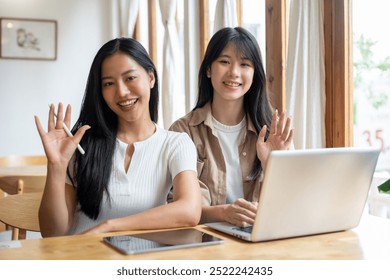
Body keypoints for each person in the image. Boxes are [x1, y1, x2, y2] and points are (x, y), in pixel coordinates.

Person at [35, 37, 201, 237]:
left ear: (151, 78)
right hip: (83, 259)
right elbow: (53, 233)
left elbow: (189, 211)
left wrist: (111, 227)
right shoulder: (80, 145)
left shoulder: (175, 144)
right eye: (109, 83)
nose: (121, 92)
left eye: (130, 78)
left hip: (140, 264)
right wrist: (56, 166)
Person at [170, 27, 294, 227]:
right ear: (209, 69)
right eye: (225, 62)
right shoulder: (183, 132)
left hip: (262, 241)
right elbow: (178, 207)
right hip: (206, 246)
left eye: (244, 64)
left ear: (255, 75)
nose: (234, 73)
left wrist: (272, 163)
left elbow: (292, 205)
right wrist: (224, 213)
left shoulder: (274, 131)